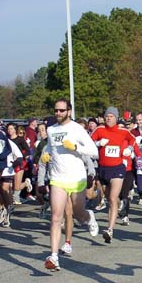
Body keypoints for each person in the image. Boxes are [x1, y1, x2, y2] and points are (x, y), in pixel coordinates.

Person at [41, 98, 99, 271]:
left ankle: (89, 217)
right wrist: (46, 156)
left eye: (61, 110)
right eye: (56, 110)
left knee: (78, 214)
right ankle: (54, 256)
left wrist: (75, 147)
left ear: (69, 111)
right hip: (58, 178)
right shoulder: (51, 130)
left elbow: (94, 152)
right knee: (56, 217)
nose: (58, 113)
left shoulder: (77, 129)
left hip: (77, 178)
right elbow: (50, 149)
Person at [91, 106, 138, 243]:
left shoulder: (122, 131)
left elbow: (133, 139)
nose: (108, 118)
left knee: (112, 198)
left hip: (118, 168)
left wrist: (129, 148)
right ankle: (120, 204)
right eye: (106, 116)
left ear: (116, 118)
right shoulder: (99, 130)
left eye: (111, 116)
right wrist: (98, 143)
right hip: (103, 169)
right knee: (109, 198)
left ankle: (110, 229)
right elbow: (88, 142)